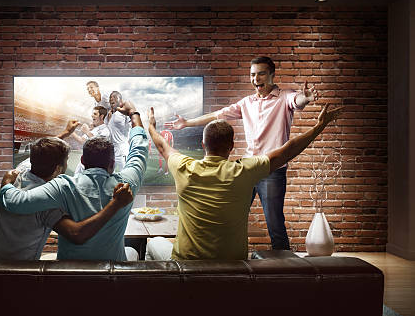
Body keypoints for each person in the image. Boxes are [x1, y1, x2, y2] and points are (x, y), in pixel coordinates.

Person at [146, 103, 341, 260]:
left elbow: (162, 146)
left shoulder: (184, 167)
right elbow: (287, 150)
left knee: (152, 243)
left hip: (187, 265)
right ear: (231, 146)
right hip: (234, 266)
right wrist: (318, 127)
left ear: (203, 144)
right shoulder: (244, 170)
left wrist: (151, 126)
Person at [164, 56, 318, 250]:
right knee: (229, 215)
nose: (256, 79)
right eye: (253, 75)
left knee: (274, 223)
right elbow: (217, 115)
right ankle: (223, 256)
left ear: (271, 75)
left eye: (261, 74)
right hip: (247, 169)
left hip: (272, 171)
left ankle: (284, 270)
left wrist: (306, 98)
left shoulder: (285, 97)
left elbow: (298, 101)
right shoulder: (247, 103)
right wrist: (187, 123)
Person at [0, 101, 147, 261]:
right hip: (113, 273)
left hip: (69, 273)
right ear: (112, 164)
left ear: (82, 161)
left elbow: (14, 201)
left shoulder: (63, 185)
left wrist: (7, 183)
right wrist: (133, 113)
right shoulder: (126, 184)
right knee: (132, 252)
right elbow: (139, 149)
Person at [0, 121, 134, 261]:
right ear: (57, 169)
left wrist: (65, 133)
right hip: (9, 268)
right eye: (66, 162)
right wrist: (115, 204)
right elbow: (77, 234)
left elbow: (43, 151)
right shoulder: (46, 203)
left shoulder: (22, 169)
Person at [71, 106, 111, 174]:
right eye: (92, 114)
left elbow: (99, 144)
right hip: (84, 161)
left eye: (95, 114)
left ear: (101, 116)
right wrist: (71, 131)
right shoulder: (94, 129)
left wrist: (87, 132)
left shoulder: (105, 130)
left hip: (94, 164)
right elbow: (82, 140)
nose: (92, 115)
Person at [106, 91, 131, 172]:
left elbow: (132, 126)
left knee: (124, 175)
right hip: (112, 150)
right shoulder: (110, 114)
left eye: (114, 97)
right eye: (110, 97)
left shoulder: (125, 113)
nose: (111, 99)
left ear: (120, 100)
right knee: (108, 174)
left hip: (122, 151)